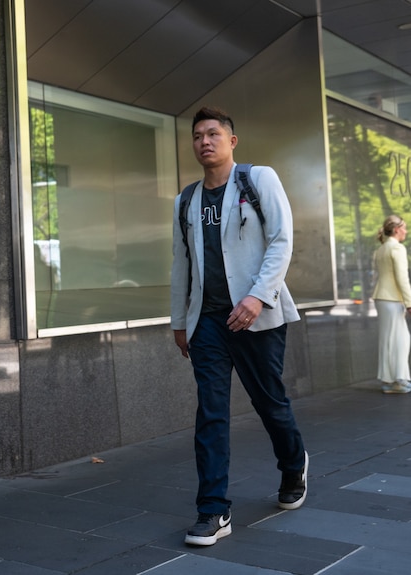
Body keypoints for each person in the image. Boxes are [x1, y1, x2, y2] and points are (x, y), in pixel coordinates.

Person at [170, 107, 308, 547]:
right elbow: (181, 264)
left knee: (270, 402)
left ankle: (293, 463)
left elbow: (283, 239)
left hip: (256, 317)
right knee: (210, 413)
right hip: (208, 323)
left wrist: (256, 296)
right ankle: (213, 510)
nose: (204, 141)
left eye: (213, 133)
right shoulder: (186, 200)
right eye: (197, 136)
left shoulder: (258, 179)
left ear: (233, 141)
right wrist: (179, 320)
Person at [372, 215, 411, 394]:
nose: (406, 231)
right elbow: (402, 278)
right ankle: (398, 381)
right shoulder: (397, 248)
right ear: (396, 230)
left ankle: (390, 381)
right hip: (392, 299)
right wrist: (409, 302)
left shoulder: (381, 249)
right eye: (404, 228)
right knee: (400, 341)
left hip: (383, 298)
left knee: (389, 340)